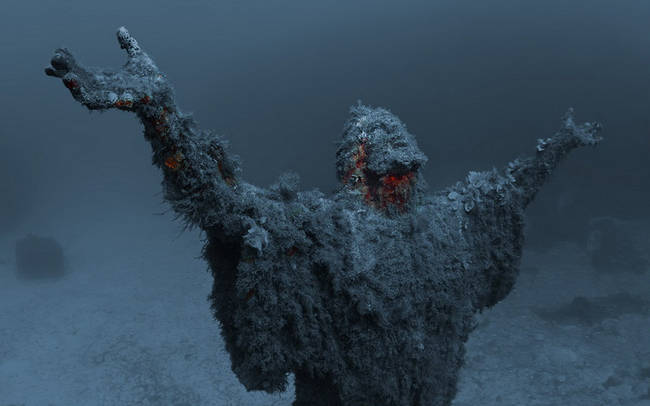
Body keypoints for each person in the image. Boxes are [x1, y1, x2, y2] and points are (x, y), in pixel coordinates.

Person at [45, 27, 602, 406]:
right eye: (374, 160)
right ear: (351, 170)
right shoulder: (321, 232)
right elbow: (224, 205)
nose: (393, 173)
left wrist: (559, 144)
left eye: (400, 159)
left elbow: (508, 191)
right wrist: (159, 113)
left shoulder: (448, 226)